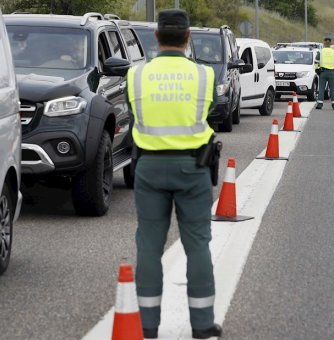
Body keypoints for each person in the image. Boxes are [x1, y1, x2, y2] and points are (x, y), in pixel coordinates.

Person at [126, 8, 223, 340]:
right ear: (188, 37)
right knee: (197, 245)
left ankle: (147, 327)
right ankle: (202, 325)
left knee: (149, 245)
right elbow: (209, 109)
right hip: (193, 168)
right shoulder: (204, 76)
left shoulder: (135, 75)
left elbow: (134, 111)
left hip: (149, 168)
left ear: (155, 37)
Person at [315, 33, 334, 110]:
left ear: (324, 42)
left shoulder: (320, 52)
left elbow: (316, 61)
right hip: (332, 73)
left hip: (323, 72)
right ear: (330, 42)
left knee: (321, 89)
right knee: (333, 89)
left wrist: (317, 69)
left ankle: (320, 104)